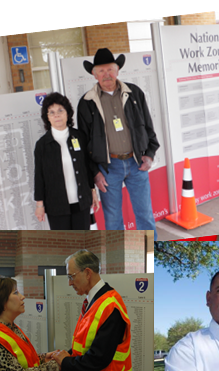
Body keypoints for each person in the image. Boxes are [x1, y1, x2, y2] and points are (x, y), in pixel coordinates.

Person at [75, 48, 159, 239]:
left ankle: (149, 256)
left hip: (136, 163)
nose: (107, 74)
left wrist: (150, 154)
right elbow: (84, 143)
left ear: (118, 70)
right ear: (94, 74)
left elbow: (148, 127)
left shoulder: (134, 93)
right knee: (113, 220)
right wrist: (95, 172)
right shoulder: (86, 102)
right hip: (107, 168)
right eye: (101, 71)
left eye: (110, 69)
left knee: (145, 215)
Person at [50, 250, 131, 371]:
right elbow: (85, 346)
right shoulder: (93, 302)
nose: (69, 283)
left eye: (71, 276)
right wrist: (63, 356)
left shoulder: (109, 306)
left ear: (87, 273)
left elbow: (99, 357)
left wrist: (66, 362)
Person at [34, 92, 99, 230]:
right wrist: (39, 204)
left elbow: (87, 167)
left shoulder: (79, 136)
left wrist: (93, 191)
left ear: (67, 113)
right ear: (47, 117)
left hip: (81, 202)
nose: (56, 115)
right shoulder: (42, 144)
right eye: (51, 112)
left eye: (60, 110)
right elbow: (39, 177)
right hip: (56, 205)